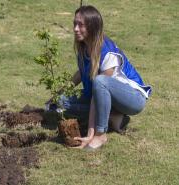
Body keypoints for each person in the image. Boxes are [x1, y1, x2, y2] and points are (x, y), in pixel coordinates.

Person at [50, 5, 152, 150]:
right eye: (74, 24)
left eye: (80, 25)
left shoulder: (107, 51)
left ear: (92, 27)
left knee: (100, 81)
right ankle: (113, 116)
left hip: (133, 98)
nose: (75, 29)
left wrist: (91, 133)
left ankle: (101, 134)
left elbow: (98, 90)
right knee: (59, 103)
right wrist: (59, 93)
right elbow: (81, 73)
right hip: (100, 94)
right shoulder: (84, 46)